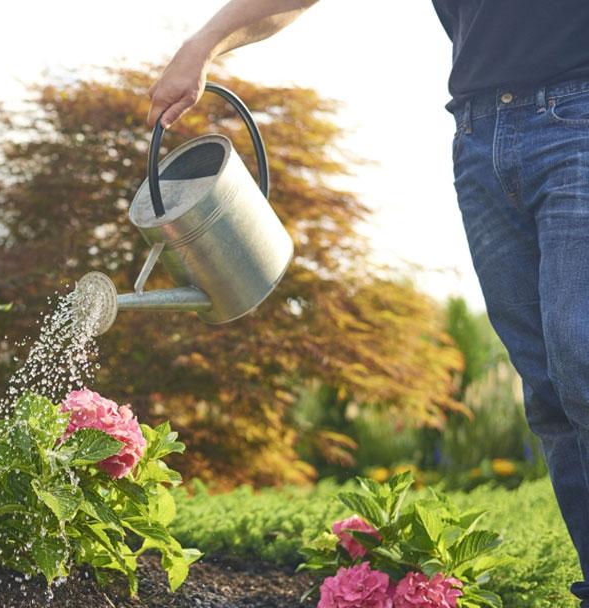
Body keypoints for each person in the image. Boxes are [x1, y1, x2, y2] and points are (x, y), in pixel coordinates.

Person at [148, 0, 589, 604]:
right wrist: (202, 45)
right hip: (479, 136)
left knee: (581, 356)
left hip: (578, 114)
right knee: (549, 397)